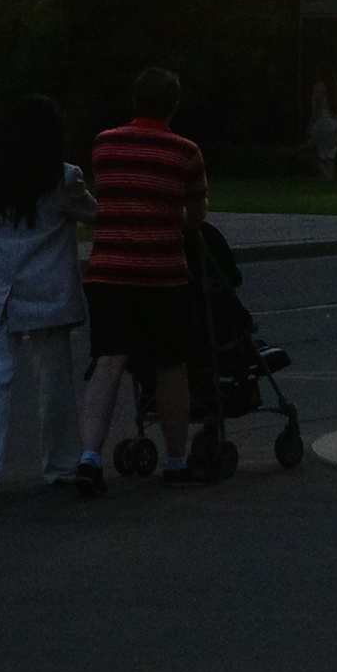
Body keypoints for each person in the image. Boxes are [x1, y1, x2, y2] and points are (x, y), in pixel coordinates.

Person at [75, 67, 209, 494]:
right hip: (162, 275)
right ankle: (176, 461)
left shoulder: (104, 144)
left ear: (134, 101)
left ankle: (89, 459)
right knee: (171, 366)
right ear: (174, 106)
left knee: (108, 361)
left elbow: (110, 193)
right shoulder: (186, 153)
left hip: (109, 272)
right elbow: (195, 216)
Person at [0, 97, 92, 497]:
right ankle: (62, 464)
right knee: (54, 382)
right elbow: (94, 214)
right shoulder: (64, 178)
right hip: (48, 293)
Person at [306, 79, 337, 180]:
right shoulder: (333, 99)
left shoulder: (318, 98)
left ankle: (326, 175)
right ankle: (330, 177)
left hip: (322, 125)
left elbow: (315, 114)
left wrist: (309, 126)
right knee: (329, 156)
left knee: (313, 153)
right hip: (334, 125)